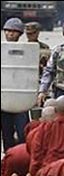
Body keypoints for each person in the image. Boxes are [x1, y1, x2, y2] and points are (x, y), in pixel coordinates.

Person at [1, 18, 30, 152]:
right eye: (8, 31)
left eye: (14, 31)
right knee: (6, 134)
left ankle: (21, 157)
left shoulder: (27, 51)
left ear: (20, 34)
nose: (11, 34)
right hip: (4, 98)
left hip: (21, 98)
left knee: (23, 132)